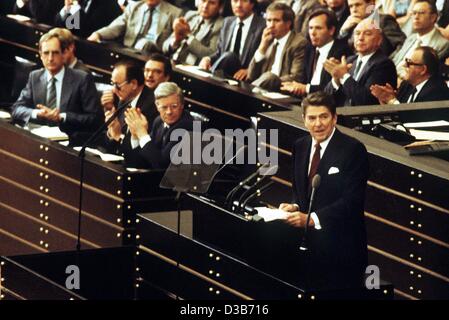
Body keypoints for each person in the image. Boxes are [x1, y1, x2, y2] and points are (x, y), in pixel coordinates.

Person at [279, 91, 369, 290]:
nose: (318, 124)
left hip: (341, 250)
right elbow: (299, 188)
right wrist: (294, 205)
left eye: (324, 117)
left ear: (334, 118)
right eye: (312, 118)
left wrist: (311, 219)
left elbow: (352, 202)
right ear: (304, 120)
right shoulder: (300, 145)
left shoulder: (353, 150)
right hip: (306, 246)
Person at [11, 32, 103, 137]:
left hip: (70, 140)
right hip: (37, 136)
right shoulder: (35, 77)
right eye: (46, 53)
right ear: (40, 55)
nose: (50, 58)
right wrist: (37, 113)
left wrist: (62, 117)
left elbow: (95, 119)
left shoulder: (82, 79)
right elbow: (16, 109)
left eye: (55, 53)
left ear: (63, 54)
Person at [323, 17, 397, 106]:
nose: (361, 38)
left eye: (367, 34)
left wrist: (344, 76)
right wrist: (336, 79)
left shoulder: (384, 64)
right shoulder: (349, 61)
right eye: (357, 33)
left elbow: (367, 100)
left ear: (379, 40)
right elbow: (325, 98)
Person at [122, 82, 194, 169]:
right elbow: (143, 161)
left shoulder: (187, 126)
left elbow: (161, 164)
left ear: (182, 105)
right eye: (164, 107)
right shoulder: (158, 121)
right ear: (157, 106)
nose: (169, 112)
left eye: (174, 106)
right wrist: (135, 136)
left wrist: (142, 133)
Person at [281, 8, 352, 96]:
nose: (313, 33)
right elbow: (304, 80)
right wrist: (296, 86)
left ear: (331, 30)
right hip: (307, 99)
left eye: (318, 28)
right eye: (310, 28)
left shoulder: (342, 51)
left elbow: (333, 87)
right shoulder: (309, 48)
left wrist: (306, 88)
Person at [198, 0, 266, 81]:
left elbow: (265, 60)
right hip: (224, 75)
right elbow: (219, 53)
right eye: (235, 0)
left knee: (230, 56)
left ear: (252, 3)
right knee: (228, 56)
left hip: (245, 78)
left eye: (244, 1)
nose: (238, 5)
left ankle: (206, 80)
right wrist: (208, 59)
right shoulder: (228, 22)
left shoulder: (262, 26)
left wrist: (249, 70)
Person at [247, 2, 307, 91]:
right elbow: (251, 75)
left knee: (270, 76)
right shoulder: (267, 38)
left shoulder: (299, 43)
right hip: (260, 87)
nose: (271, 25)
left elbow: (296, 77)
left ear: (288, 23)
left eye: (276, 20)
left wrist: (271, 80)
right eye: (269, 20)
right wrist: (262, 47)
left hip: (281, 91)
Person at [87, 0, 182, 55]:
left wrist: (175, 40)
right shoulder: (134, 7)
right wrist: (98, 34)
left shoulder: (174, 13)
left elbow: (171, 42)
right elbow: (116, 26)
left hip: (153, 56)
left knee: (145, 43)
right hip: (128, 51)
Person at [390, 0, 449, 79]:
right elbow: (395, 60)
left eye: (421, 13)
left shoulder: (442, 44)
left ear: (433, 17)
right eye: (414, 13)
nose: (416, 17)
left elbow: (422, 76)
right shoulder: (411, 38)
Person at [371, 46, 449, 103]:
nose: (404, 65)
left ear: (423, 70)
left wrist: (392, 101)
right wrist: (386, 99)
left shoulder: (436, 91)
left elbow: (414, 118)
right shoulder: (406, 85)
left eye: (409, 63)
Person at [163, 0, 224, 65]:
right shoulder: (191, 15)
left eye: (212, 3)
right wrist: (175, 41)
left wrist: (188, 36)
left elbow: (211, 54)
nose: (205, 6)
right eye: (203, 1)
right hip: (171, 63)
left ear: (220, 7)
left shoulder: (221, 25)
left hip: (191, 69)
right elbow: (164, 48)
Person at [338, 0, 405, 56]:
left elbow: (402, 44)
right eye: (351, 6)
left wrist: (391, 62)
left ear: (371, 5)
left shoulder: (383, 20)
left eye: (358, 5)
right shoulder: (351, 26)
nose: (354, 10)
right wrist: (343, 32)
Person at [54, 0, 122, 38]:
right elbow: (62, 27)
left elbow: (85, 32)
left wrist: (76, 9)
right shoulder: (77, 2)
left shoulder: (107, 4)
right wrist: (67, 9)